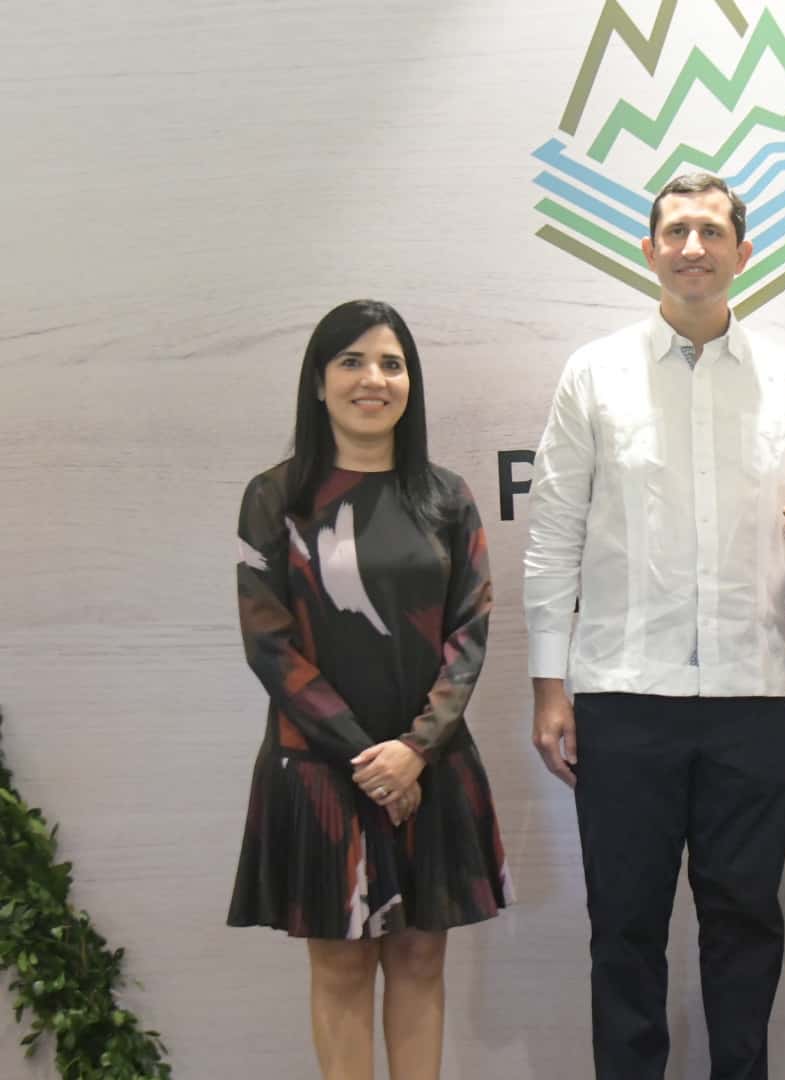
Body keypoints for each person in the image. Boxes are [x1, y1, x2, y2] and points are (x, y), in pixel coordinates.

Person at [523, 172, 785, 1079]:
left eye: (712, 231)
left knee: (747, 929)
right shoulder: (594, 373)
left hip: (750, 697)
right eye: (677, 231)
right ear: (647, 250)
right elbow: (554, 534)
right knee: (624, 930)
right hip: (622, 696)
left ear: (744, 252)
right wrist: (549, 686)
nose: (695, 246)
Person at [228, 300, 512, 1080]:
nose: (372, 380)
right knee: (342, 969)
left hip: (431, 766)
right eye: (351, 362)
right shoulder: (276, 497)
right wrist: (368, 759)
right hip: (322, 772)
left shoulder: (446, 498)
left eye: (391, 363)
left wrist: (415, 752)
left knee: (421, 964)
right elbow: (269, 643)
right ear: (318, 383)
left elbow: (469, 634)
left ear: (410, 384)